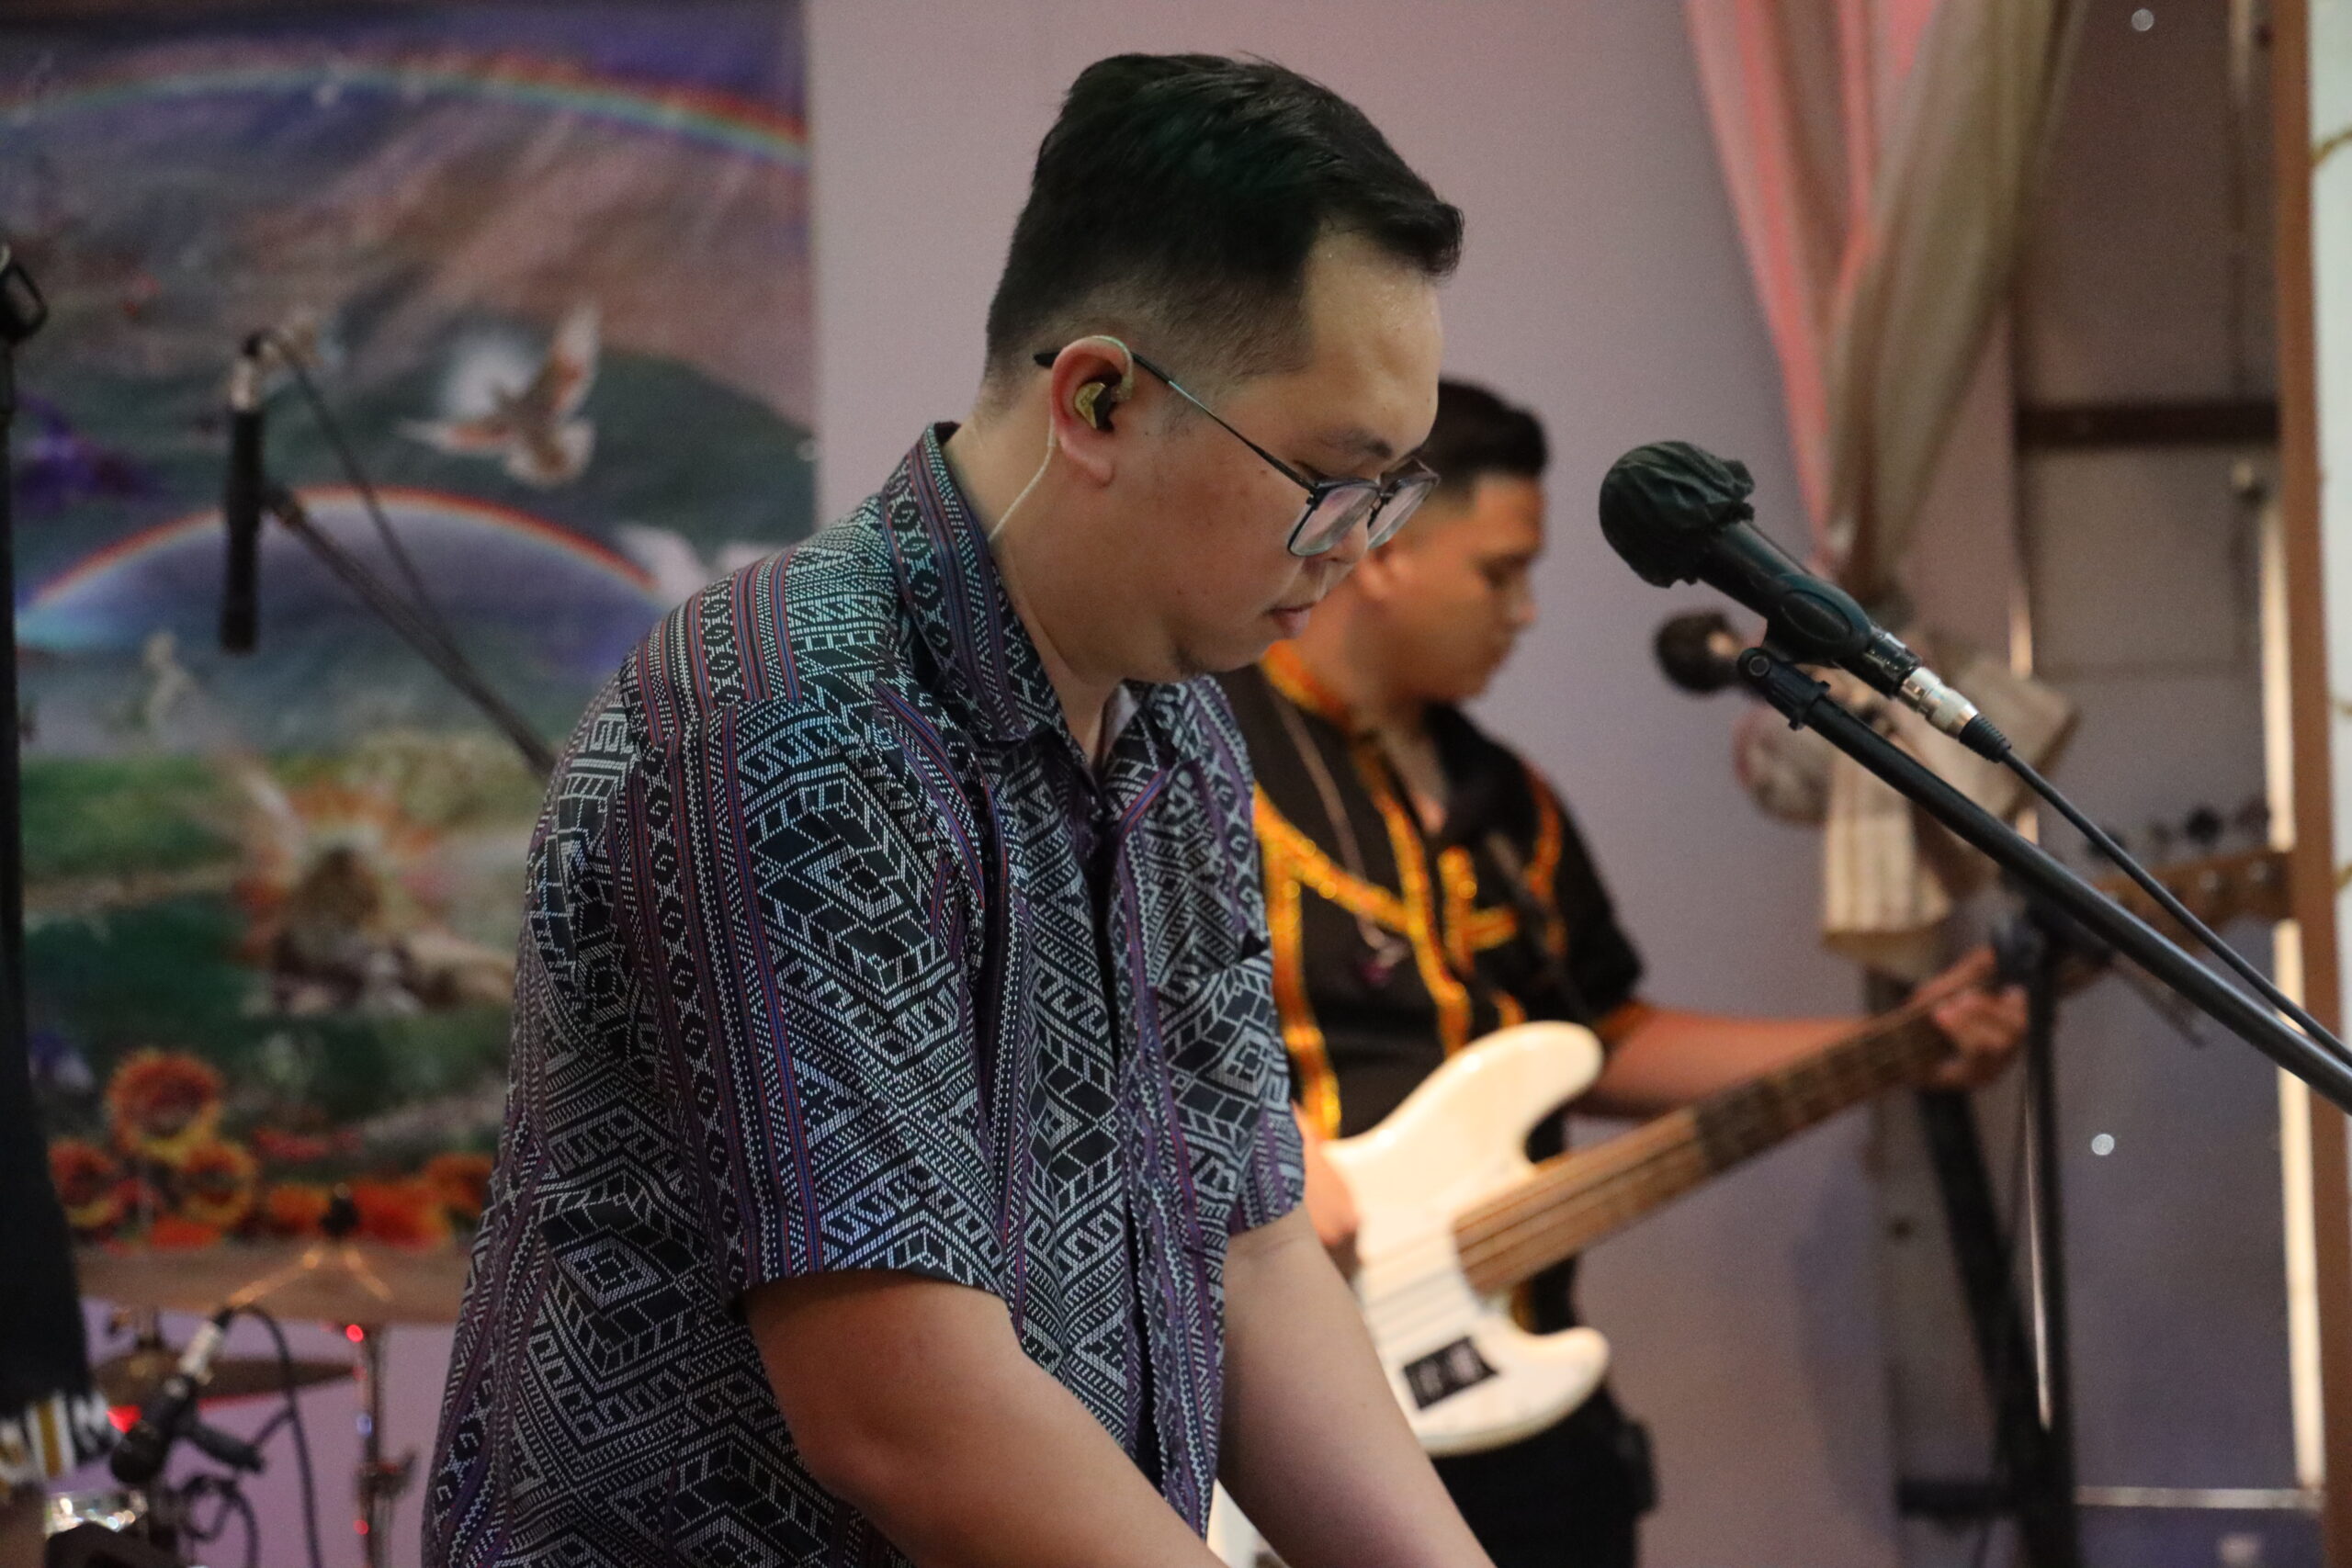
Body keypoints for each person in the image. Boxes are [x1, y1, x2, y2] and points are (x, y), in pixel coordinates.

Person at [428, 53, 1504, 1568]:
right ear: (1101, 400)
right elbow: (907, 1415)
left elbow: (1252, 1255)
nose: (1353, 546)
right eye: (1331, 478)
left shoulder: (1179, 727)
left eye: (1390, 489)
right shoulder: (799, 718)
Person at [1216, 379, 2028, 1568]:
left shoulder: (1510, 802)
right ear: (1384, 555)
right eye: (1501, 572)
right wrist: (1249, 1133)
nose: (1526, 612)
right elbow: (1083, 1011)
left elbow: (1603, 1036)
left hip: (1515, 1387)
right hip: (1283, 1387)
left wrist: (1893, 1046)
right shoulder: (1196, 754)